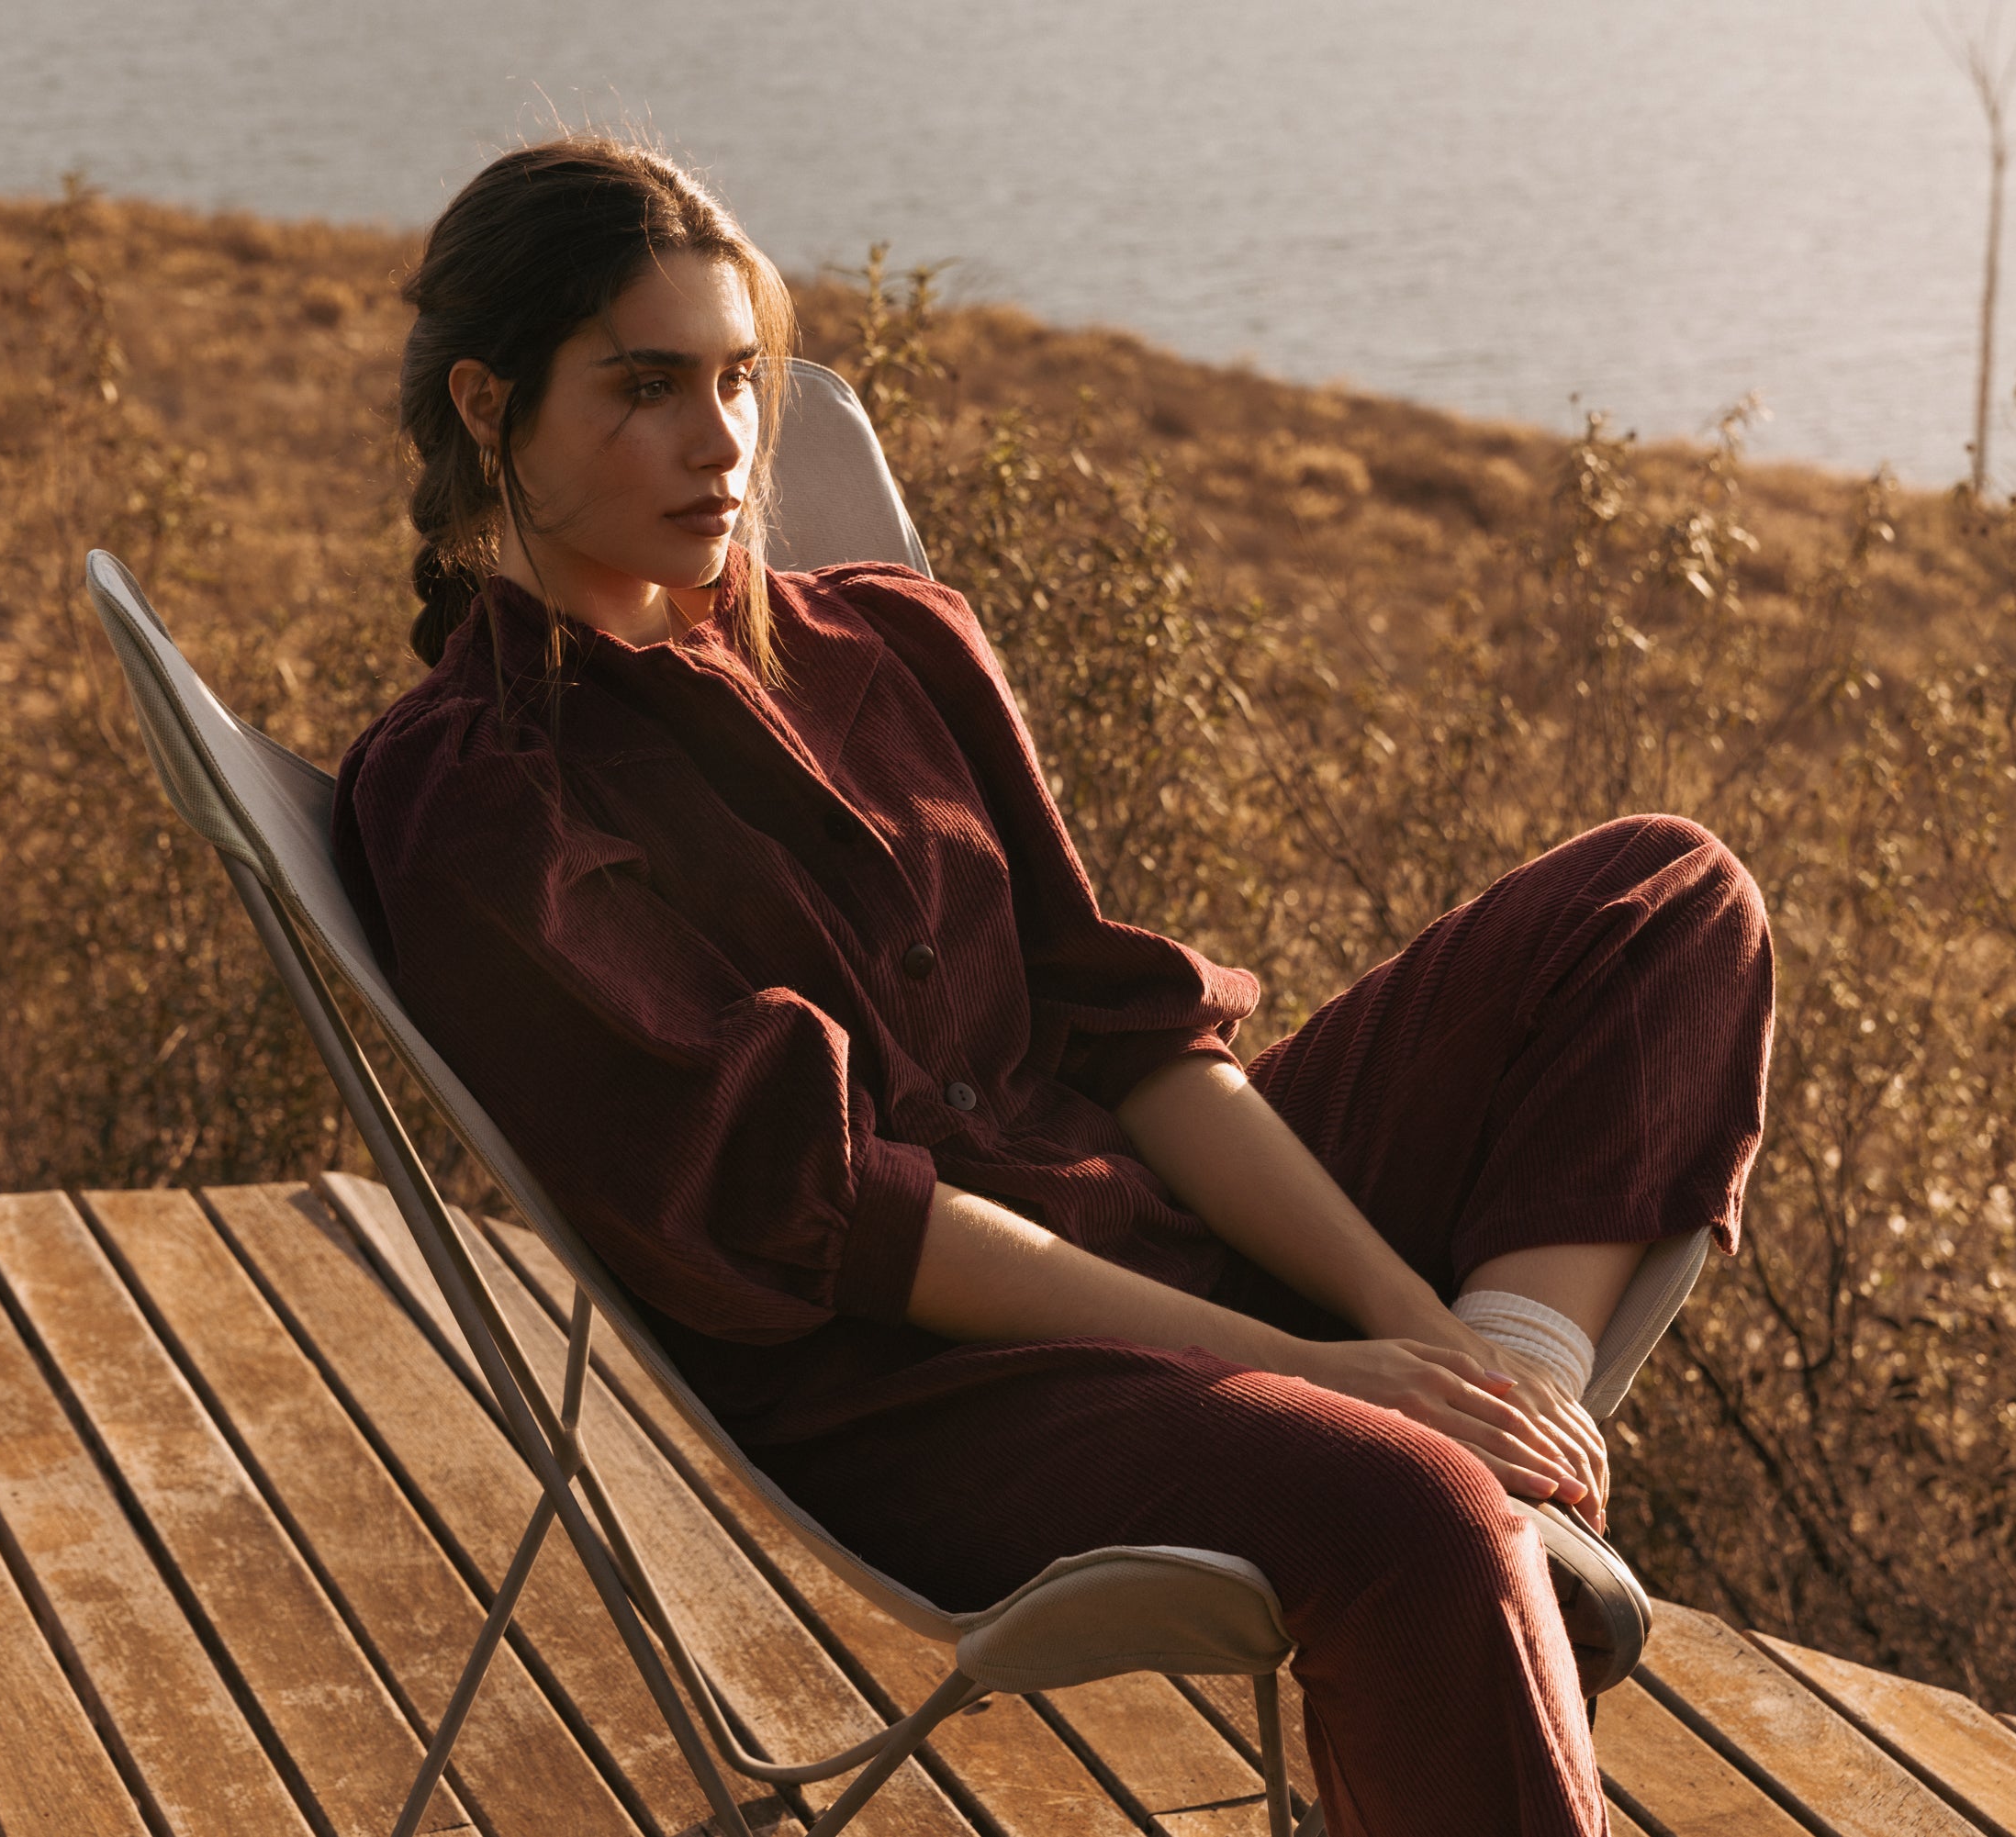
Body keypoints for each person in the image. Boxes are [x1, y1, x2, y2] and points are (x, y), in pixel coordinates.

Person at [333, 137, 1772, 1836]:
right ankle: (1489, 1525)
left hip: (1143, 1214)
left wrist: (1425, 1341)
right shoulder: (485, 799)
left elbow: (1129, 1040)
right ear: (491, 405)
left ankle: (1511, 1453)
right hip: (922, 1382)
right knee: (1418, 1510)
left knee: (1663, 902)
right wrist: (1311, 1372)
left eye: (737, 379)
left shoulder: (889, 642)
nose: (722, 442)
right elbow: (848, 1216)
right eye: (646, 387)